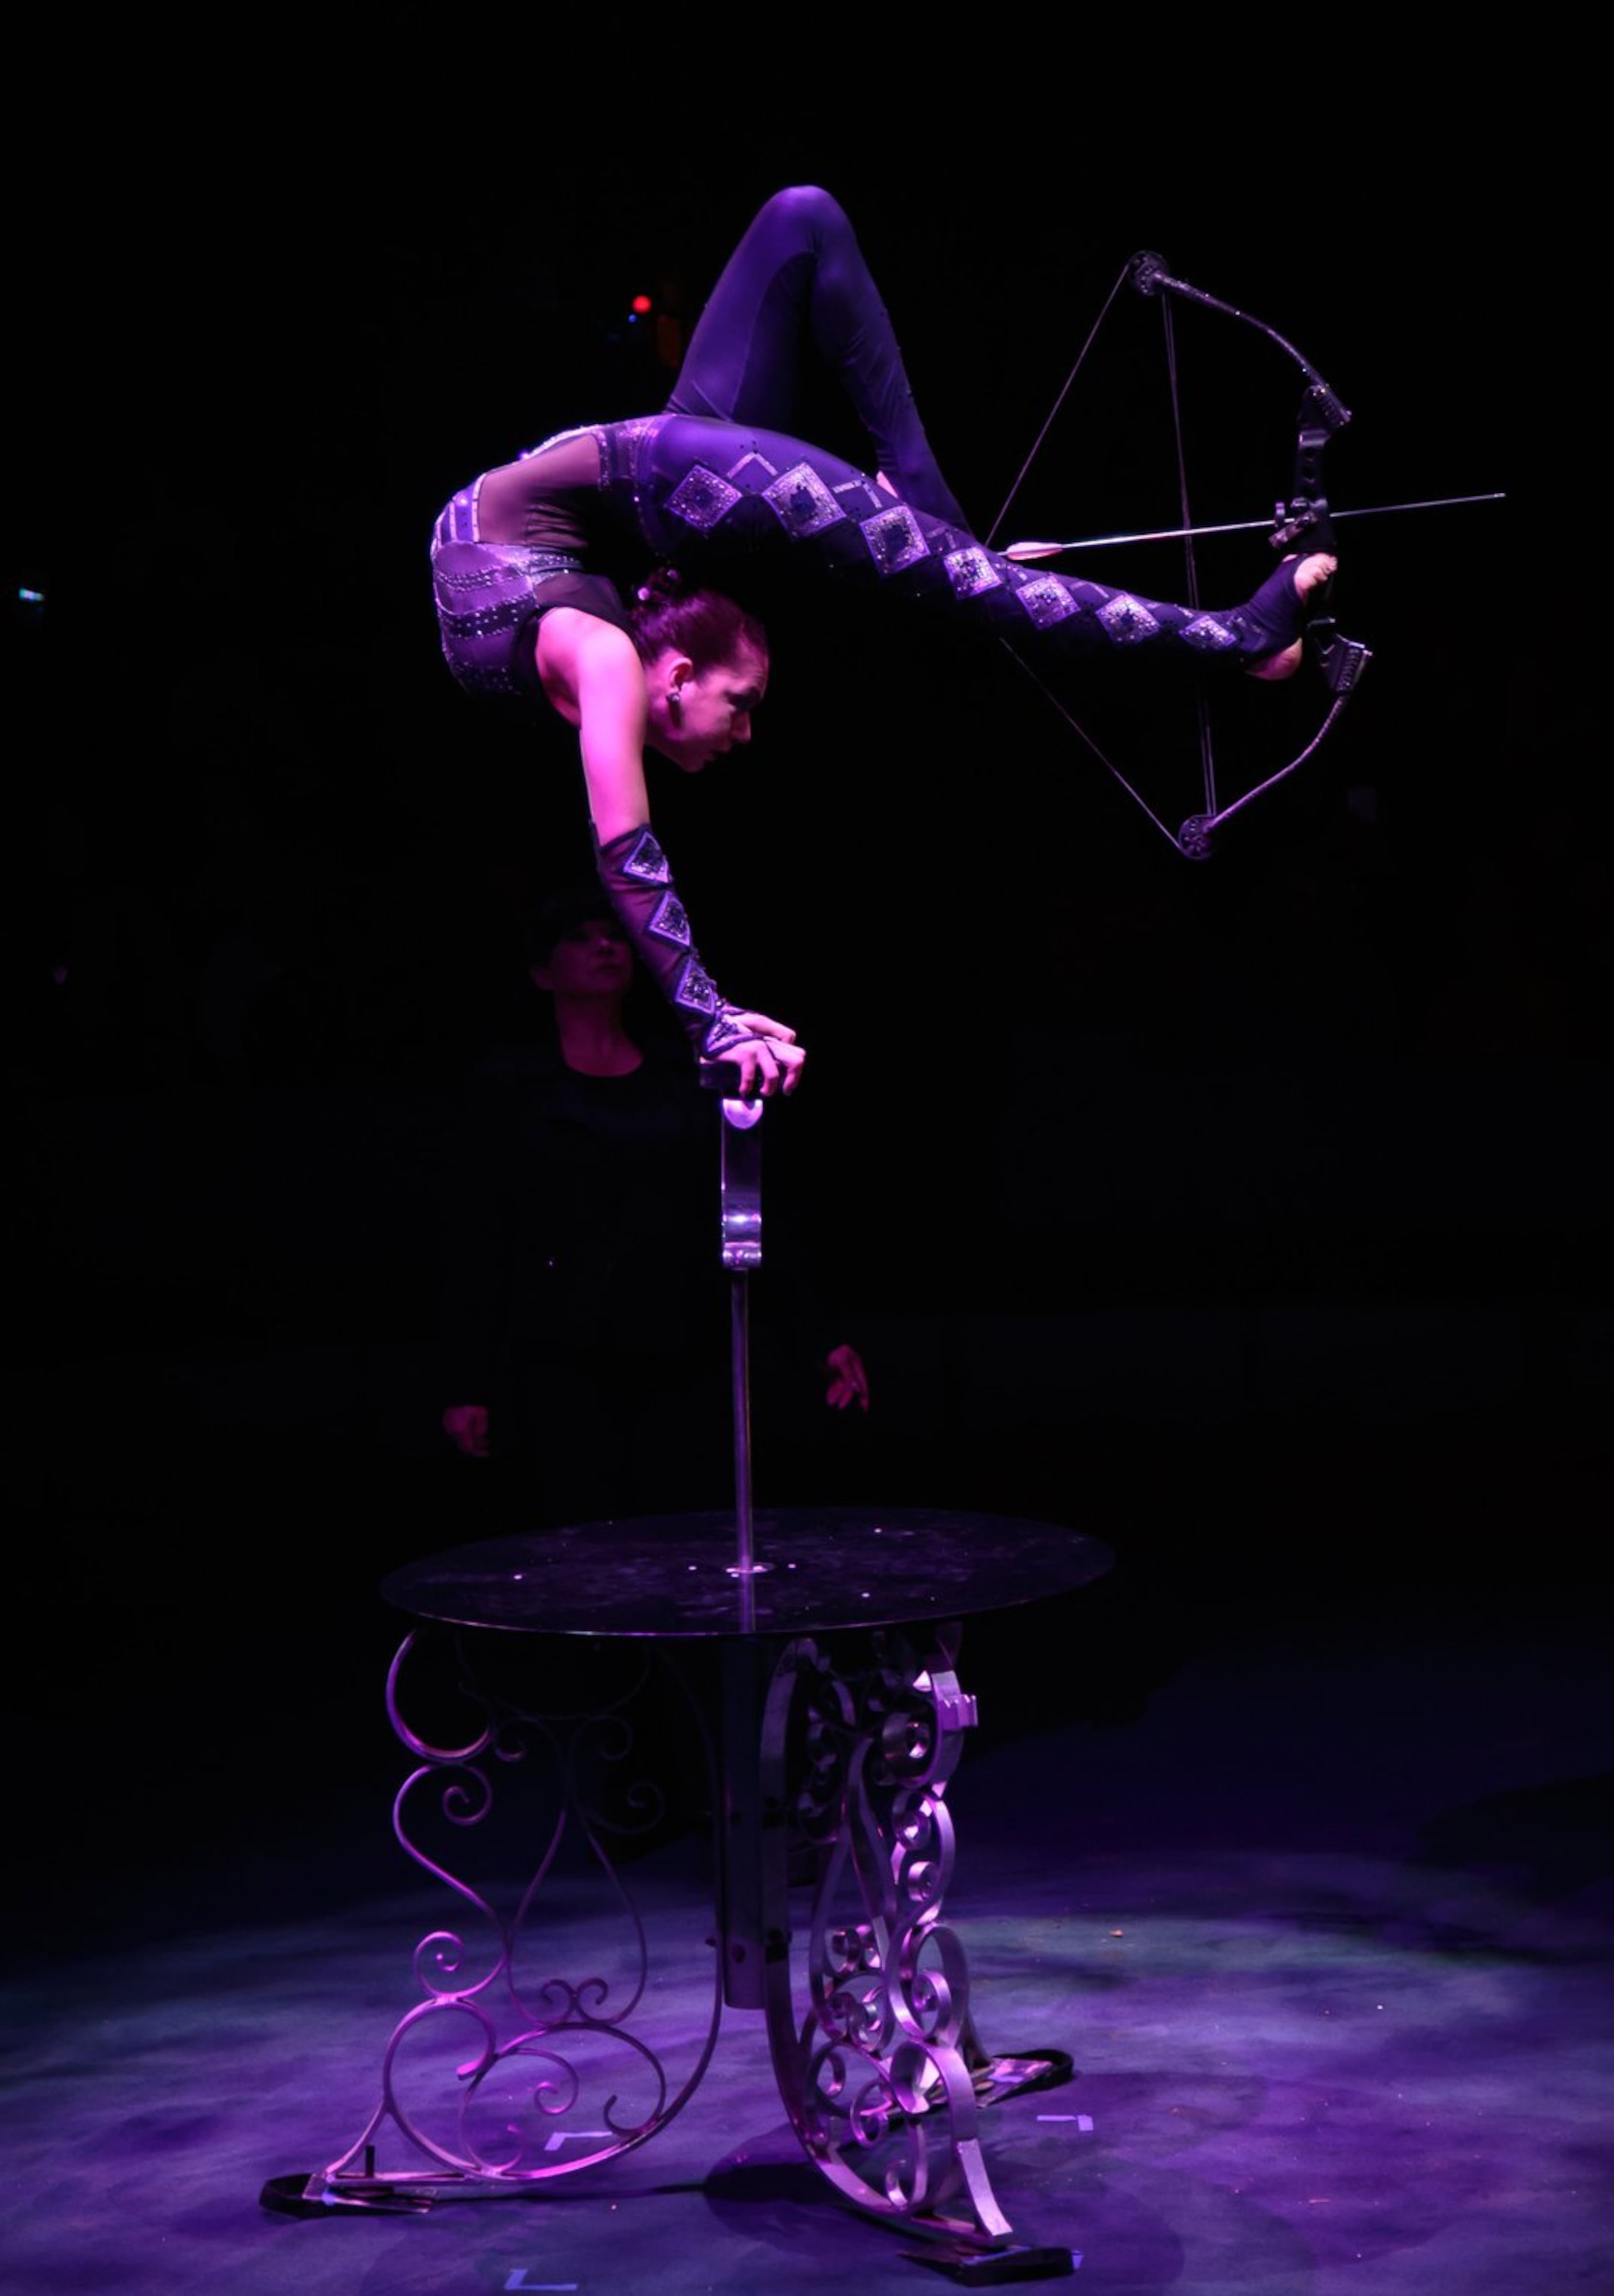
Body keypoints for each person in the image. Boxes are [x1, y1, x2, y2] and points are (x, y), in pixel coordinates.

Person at [431, 185, 1335, 1090]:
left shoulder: (606, 662)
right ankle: (942, 523)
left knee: (973, 586)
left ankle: (1237, 636)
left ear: (671, 680)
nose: (745, 735)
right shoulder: (595, 638)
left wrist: (709, 1023)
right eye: (746, 710)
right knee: (801, 218)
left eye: (740, 707)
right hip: (646, 483)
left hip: (674, 479)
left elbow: (625, 852)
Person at [438, 884, 869, 1532]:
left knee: (688, 1530)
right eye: (580, 938)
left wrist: (818, 1336)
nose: (606, 947)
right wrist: (469, 1381)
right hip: (566, 1353)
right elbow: (482, 1236)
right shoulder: (513, 1092)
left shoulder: (683, 1078)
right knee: (582, 1534)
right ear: (541, 972)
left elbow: (749, 1203)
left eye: (614, 935)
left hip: (682, 1345)